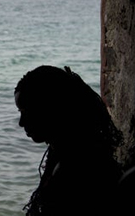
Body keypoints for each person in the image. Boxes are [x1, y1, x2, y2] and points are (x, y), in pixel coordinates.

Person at [14, 65, 124, 216]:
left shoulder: (76, 171)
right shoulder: (80, 152)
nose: (21, 122)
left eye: (27, 112)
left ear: (51, 110)